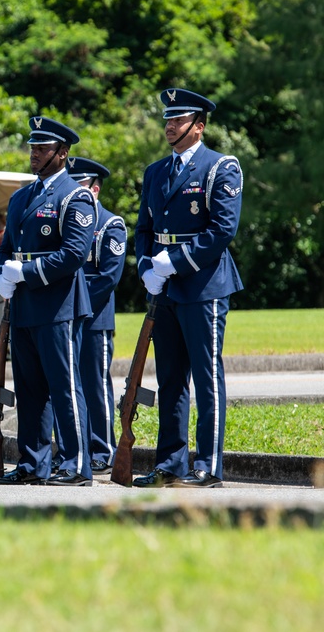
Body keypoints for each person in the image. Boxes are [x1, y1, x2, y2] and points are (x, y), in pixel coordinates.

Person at [133, 88, 243, 488]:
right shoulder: (156, 172)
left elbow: (221, 231)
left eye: (177, 121)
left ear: (198, 127)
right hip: (163, 288)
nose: (169, 126)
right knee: (171, 379)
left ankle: (208, 466)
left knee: (206, 376)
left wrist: (173, 262)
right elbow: (143, 228)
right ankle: (170, 465)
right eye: (167, 119)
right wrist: (147, 265)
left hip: (203, 285)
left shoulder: (221, 168)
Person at [0, 117, 95, 486]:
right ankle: (33, 464)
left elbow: (74, 254)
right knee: (30, 389)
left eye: (43, 148)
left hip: (58, 305)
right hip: (24, 307)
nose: (34, 154)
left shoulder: (75, 195)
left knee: (64, 386)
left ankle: (76, 463)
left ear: (63, 153)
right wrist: (0, 274)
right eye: (32, 147)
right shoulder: (22, 196)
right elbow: (6, 248)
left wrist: (27, 273)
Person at [67, 157, 126, 474]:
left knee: (95, 386)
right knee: (68, 386)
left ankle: (102, 449)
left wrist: (71, 303)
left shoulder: (109, 225)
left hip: (94, 319)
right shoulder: (67, 222)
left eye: (80, 186)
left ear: (95, 189)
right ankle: (74, 449)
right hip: (65, 318)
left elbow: (108, 277)